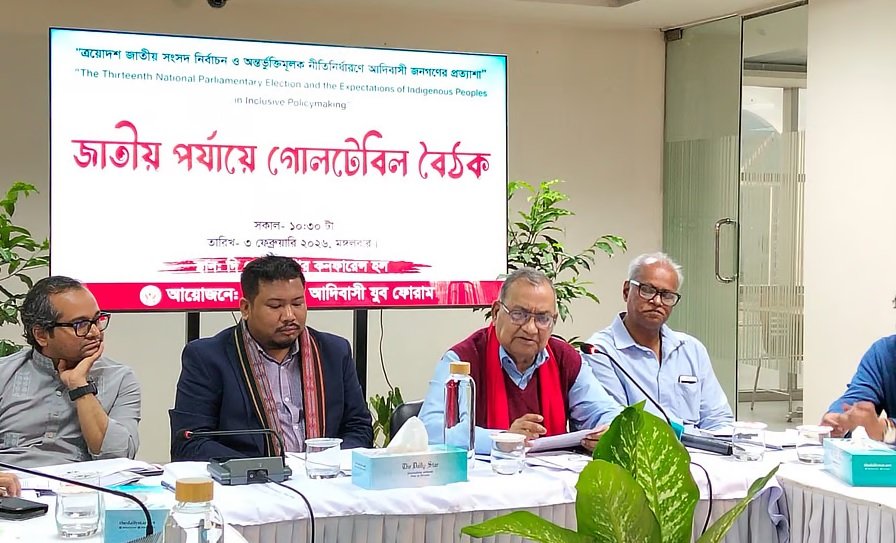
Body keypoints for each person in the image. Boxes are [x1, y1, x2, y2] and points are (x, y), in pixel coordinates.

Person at [169, 255, 373, 461]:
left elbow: (359, 428)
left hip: (323, 475)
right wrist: (267, 468)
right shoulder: (207, 358)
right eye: (275, 306)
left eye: (297, 303)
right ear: (246, 308)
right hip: (250, 478)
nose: (289, 315)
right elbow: (190, 443)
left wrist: (326, 462)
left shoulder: (334, 352)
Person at [419, 267, 623, 454]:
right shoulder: (463, 360)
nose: (530, 328)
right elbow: (430, 429)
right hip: (484, 478)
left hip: (553, 477)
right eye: (519, 314)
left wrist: (608, 431)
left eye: (542, 318)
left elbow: (606, 412)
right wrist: (504, 439)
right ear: (496, 312)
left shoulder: (565, 359)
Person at [0, 276, 141, 467]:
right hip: (11, 481)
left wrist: (80, 386)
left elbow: (118, 458)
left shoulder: (120, 378)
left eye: (97, 320)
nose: (95, 332)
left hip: (82, 484)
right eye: (80, 324)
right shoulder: (4, 374)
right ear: (41, 335)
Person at [583, 253, 733, 431]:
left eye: (667, 295)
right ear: (626, 291)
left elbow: (718, 419)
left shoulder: (691, 349)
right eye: (647, 290)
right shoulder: (600, 352)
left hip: (699, 448)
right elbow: (617, 427)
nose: (657, 301)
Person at [821, 334, 896, 442]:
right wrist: (838, 418)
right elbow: (860, 395)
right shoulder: (884, 350)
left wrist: (886, 430)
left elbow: (882, 430)